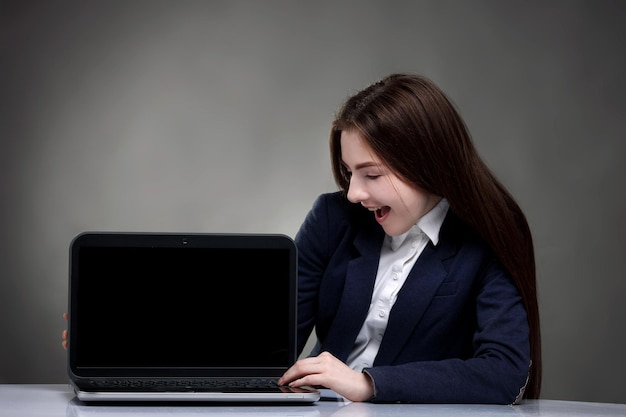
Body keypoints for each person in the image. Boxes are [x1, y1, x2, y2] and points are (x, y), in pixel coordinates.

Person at [63, 73, 541, 404]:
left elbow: (503, 372)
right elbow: (263, 342)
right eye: (350, 173)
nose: (353, 193)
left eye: (371, 174)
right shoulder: (335, 219)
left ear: (426, 162)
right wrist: (122, 342)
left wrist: (367, 384)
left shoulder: (488, 234)